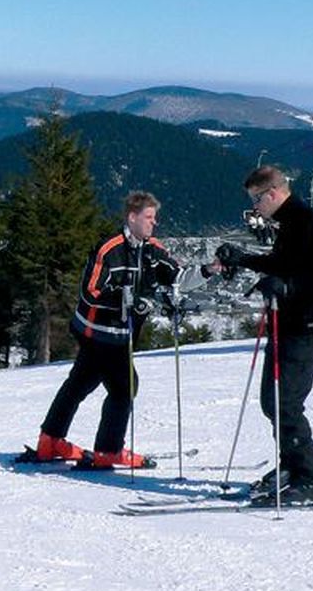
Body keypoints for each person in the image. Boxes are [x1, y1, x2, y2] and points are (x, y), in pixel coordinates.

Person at [213, 165, 313, 506]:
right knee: (272, 401)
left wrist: (287, 286)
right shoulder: (292, 224)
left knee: (285, 402)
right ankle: (291, 466)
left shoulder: (311, 221)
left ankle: (311, 479)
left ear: (271, 194)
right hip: (288, 322)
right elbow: (283, 264)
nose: (255, 208)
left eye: (256, 200)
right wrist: (243, 259)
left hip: (308, 325)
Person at [34, 191, 197, 469]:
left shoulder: (151, 248)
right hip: (99, 331)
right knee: (124, 387)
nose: (153, 224)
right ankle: (108, 451)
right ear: (132, 218)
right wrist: (128, 299)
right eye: (148, 218)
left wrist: (212, 268)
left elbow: (178, 276)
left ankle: (50, 441)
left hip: (117, 334)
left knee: (81, 382)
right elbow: (90, 291)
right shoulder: (108, 249)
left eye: (154, 218)